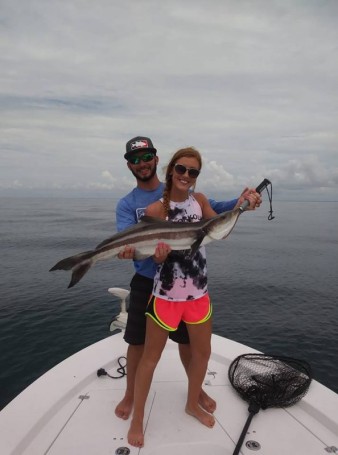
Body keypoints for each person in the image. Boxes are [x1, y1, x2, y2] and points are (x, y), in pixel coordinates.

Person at [115, 136, 261, 423]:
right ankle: (131, 394)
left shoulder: (193, 196)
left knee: (188, 345)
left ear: (158, 161)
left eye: (146, 157)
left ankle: (194, 394)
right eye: (135, 160)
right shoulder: (131, 204)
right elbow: (128, 241)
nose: (142, 164)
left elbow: (214, 215)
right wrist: (133, 252)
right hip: (151, 283)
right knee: (138, 344)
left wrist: (243, 203)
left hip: (192, 290)